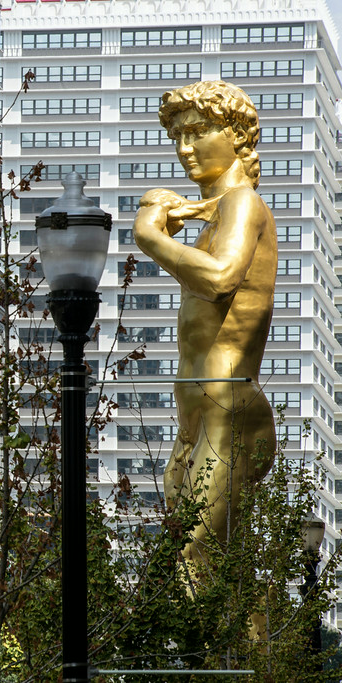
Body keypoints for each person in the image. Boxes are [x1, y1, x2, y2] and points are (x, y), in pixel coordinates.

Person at [132, 80, 277, 573]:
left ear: (236, 135)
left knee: (197, 560)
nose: (184, 148)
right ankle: (244, 648)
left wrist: (148, 237)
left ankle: (245, 651)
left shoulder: (243, 204)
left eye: (196, 132)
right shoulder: (213, 218)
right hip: (196, 418)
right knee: (205, 572)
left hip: (226, 405)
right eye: (177, 137)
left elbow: (219, 279)